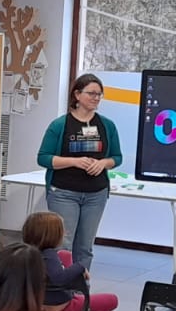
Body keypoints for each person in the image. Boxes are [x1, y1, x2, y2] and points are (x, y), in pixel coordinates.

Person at [36, 73, 123, 272]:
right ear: (77, 94)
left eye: (99, 94)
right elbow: (43, 157)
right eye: (91, 93)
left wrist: (103, 164)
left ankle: (80, 292)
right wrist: (74, 161)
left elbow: (117, 157)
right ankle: (60, 290)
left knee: (85, 247)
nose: (96, 98)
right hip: (64, 192)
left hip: (96, 194)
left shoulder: (107, 126)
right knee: (63, 245)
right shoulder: (60, 125)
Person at [21, 211, 118, 311]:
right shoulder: (49, 256)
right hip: (60, 309)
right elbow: (59, 278)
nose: (65, 233)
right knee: (113, 300)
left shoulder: (28, 253)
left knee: (64, 255)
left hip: (39, 303)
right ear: (53, 236)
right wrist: (80, 267)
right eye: (62, 231)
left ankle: (73, 289)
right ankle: (75, 290)